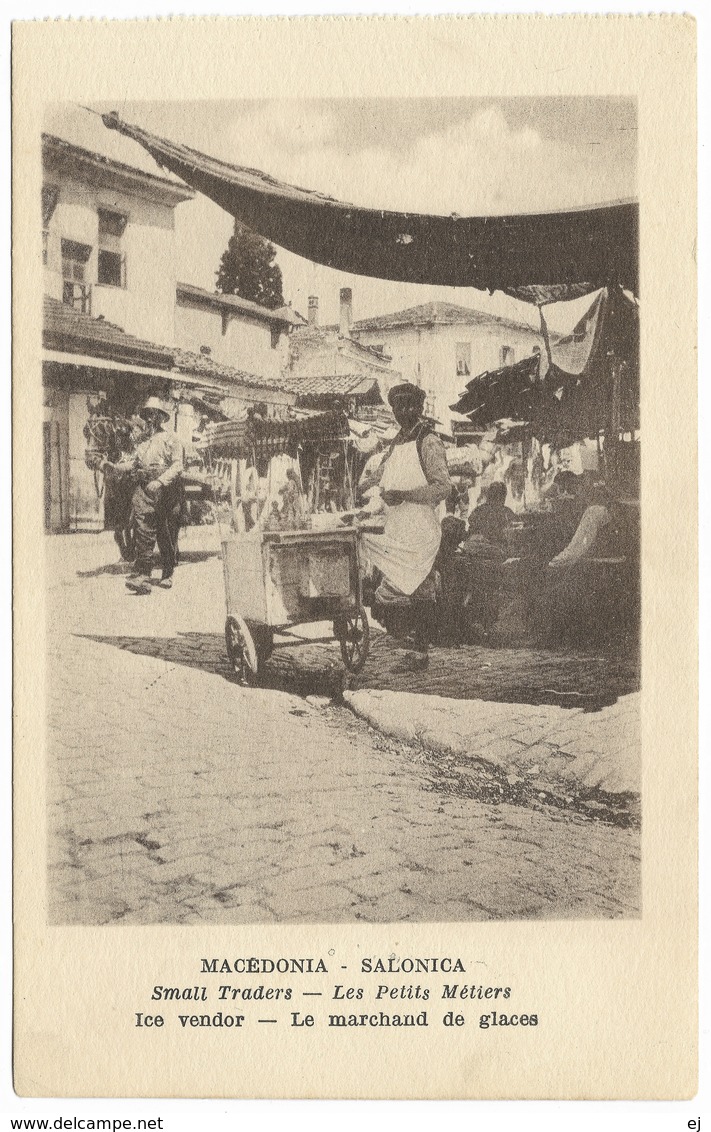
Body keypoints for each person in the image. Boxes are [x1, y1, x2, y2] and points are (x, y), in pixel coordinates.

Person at [362, 382, 452, 669]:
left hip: (421, 528)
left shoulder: (429, 441)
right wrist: (364, 484)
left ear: (420, 408)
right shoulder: (396, 442)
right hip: (397, 527)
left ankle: (420, 652)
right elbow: (380, 475)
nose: (404, 411)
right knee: (396, 586)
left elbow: (442, 488)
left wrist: (403, 496)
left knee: (421, 589)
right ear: (393, 410)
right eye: (398, 406)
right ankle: (409, 644)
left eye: (410, 405)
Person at [103, 396, 184, 595]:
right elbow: (134, 463)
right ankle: (144, 576)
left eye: (154, 414)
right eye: (147, 415)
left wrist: (160, 482)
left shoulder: (171, 439)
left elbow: (177, 465)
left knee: (165, 532)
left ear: (161, 417)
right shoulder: (142, 442)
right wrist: (115, 467)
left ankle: (167, 573)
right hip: (144, 487)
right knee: (142, 530)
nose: (150, 418)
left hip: (166, 488)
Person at [459, 482, 515, 638]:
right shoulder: (506, 512)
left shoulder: (478, 511)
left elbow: (469, 534)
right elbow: (510, 537)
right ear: (503, 496)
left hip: (474, 557)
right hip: (492, 558)